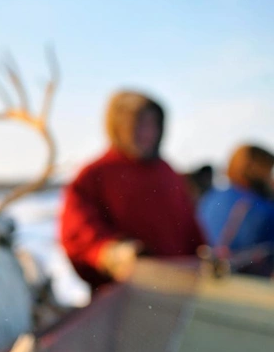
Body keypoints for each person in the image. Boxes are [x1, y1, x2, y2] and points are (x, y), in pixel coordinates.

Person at [60, 90, 205, 293]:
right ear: (120, 127)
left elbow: (189, 225)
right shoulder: (95, 174)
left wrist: (204, 254)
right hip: (124, 295)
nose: (148, 133)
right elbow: (77, 230)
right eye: (140, 125)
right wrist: (111, 252)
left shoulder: (168, 172)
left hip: (179, 287)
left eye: (153, 125)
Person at [197, 144, 274, 276]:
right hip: (246, 287)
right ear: (258, 171)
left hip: (204, 279)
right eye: (269, 170)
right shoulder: (263, 208)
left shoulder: (211, 196)